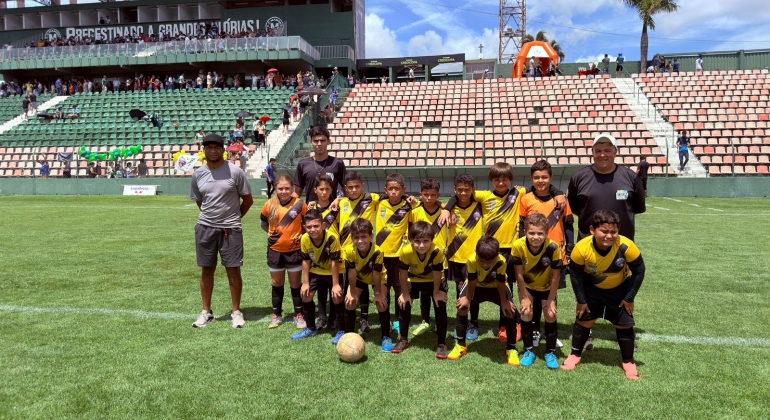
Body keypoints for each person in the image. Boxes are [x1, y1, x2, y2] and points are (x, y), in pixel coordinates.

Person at [567, 133, 645, 350]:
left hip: (621, 249)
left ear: (615, 152)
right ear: (592, 153)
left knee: (622, 285)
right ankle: (585, 333)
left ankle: (625, 332)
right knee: (584, 289)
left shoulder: (630, 177)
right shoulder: (579, 177)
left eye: (607, 150)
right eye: (598, 150)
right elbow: (575, 208)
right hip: (589, 248)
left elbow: (637, 207)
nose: (603, 154)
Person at [562, 210, 646, 380]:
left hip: (620, 289)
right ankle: (575, 354)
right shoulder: (582, 248)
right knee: (584, 320)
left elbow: (639, 270)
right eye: (604, 231)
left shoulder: (626, 246)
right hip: (591, 288)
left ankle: (628, 361)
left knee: (624, 324)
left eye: (613, 232)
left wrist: (629, 297)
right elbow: (576, 275)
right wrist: (581, 299)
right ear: (592, 230)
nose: (609, 236)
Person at [189, 134, 253, 329]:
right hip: (205, 228)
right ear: (204, 150)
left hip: (231, 229)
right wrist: (213, 219)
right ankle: (206, 312)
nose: (213, 151)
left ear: (223, 150)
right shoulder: (198, 175)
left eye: (217, 147)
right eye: (209, 147)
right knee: (206, 270)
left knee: (233, 270)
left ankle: (236, 312)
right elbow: (200, 201)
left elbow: (248, 200)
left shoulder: (235, 172)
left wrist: (232, 219)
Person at [519, 160, 574, 348]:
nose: (540, 181)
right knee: (532, 293)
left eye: (544, 177)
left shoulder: (561, 199)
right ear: (531, 179)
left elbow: (568, 225)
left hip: (555, 255)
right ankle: (534, 330)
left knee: (551, 293)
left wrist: (570, 247)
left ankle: (551, 331)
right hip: (532, 255)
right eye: (536, 177)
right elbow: (521, 227)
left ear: (551, 178)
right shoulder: (526, 199)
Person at [448, 236, 520, 366]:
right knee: (462, 307)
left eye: (489, 262)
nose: (486, 265)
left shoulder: (502, 261)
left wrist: (504, 301)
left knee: (509, 310)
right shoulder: (471, 259)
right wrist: (468, 299)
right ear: (476, 254)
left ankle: (511, 348)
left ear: (497, 255)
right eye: (482, 261)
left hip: (496, 287)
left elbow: (500, 281)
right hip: (477, 286)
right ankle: (461, 345)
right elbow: (472, 280)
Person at [511, 213, 563, 369]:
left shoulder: (553, 247)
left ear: (546, 233)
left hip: (547, 288)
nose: (535, 237)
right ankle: (529, 350)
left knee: (550, 314)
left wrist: (551, 299)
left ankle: (550, 352)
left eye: (540, 233)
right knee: (526, 313)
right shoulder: (518, 245)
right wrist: (525, 297)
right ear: (525, 232)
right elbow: (519, 274)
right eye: (531, 233)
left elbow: (556, 277)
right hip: (528, 287)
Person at [260, 174, 308, 329]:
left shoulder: (300, 204)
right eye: (280, 188)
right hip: (275, 251)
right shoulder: (269, 204)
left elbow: (306, 224)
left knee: (295, 284)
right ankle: (277, 315)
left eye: (287, 188)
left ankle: (299, 314)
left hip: (294, 251)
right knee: (277, 282)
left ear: (292, 188)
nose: (284, 191)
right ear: (276, 189)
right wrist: (276, 238)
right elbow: (264, 224)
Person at [395, 221, 449, 357]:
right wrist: (405, 294)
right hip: (413, 279)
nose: (421, 245)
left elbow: (437, 274)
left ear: (432, 240)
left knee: (440, 303)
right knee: (403, 303)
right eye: (417, 241)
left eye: (426, 241)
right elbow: (402, 273)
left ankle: (442, 343)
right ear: (411, 240)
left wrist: (436, 293)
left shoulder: (437, 251)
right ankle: (403, 339)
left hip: (433, 280)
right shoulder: (406, 250)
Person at [293, 209, 344, 342]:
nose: (313, 229)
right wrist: (305, 283)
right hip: (316, 271)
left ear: (323, 225)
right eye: (309, 227)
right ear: (304, 227)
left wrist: (336, 284)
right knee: (306, 294)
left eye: (316, 226)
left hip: (332, 272)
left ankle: (341, 330)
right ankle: (310, 328)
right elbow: (306, 260)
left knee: (337, 296)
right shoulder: (304, 238)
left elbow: (335, 263)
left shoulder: (332, 238)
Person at [342, 218, 393, 351]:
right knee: (350, 302)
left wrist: (378, 294)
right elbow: (352, 274)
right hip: (360, 277)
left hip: (379, 278)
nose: (360, 241)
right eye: (356, 237)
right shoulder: (349, 250)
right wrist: (352, 293)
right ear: (352, 238)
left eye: (364, 237)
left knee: (381, 303)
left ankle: (386, 335)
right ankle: (349, 334)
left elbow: (376, 274)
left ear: (371, 236)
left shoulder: (377, 251)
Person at [375, 173, 413, 338]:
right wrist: (337, 199)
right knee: (384, 289)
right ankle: (387, 320)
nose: (394, 192)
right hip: (381, 255)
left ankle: (398, 320)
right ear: (385, 190)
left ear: (403, 190)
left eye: (397, 189)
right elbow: (358, 197)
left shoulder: (409, 207)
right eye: (390, 189)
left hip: (399, 256)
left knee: (399, 288)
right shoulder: (379, 203)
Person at [407, 178, 446, 336]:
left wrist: (444, 206)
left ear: (438, 195)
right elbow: (411, 234)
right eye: (426, 194)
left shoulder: (444, 212)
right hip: (419, 255)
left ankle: (439, 323)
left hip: (439, 257)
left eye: (433, 195)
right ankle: (425, 321)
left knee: (437, 291)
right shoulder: (415, 212)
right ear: (420, 194)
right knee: (423, 291)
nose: (429, 198)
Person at [292, 125, 346, 203]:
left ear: (328, 141)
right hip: (311, 212)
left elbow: (346, 191)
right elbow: (297, 193)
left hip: (332, 212)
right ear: (311, 142)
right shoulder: (303, 164)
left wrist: (339, 200)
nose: (319, 144)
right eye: (316, 141)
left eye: (323, 140)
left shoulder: (337, 163)